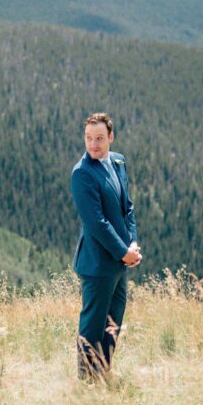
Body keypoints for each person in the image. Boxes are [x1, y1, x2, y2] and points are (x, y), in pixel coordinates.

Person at [70, 112, 140, 380]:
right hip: (98, 264)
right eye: (88, 138)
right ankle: (86, 381)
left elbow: (127, 208)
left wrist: (132, 242)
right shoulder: (82, 174)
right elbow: (97, 223)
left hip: (121, 261)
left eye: (99, 138)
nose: (93, 144)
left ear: (111, 137)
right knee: (92, 325)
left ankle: (102, 372)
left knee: (113, 323)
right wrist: (124, 252)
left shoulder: (118, 162)